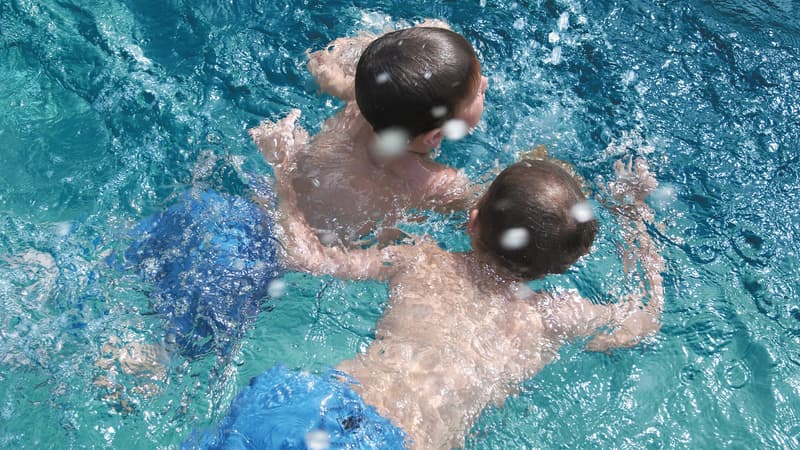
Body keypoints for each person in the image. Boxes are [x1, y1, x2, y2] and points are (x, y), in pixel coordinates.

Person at [192, 131, 666, 449]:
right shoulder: (555, 317)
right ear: (562, 267)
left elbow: (309, 259)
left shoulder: (419, 260)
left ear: (474, 219)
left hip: (316, 403)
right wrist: (636, 217)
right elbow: (646, 317)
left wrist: (284, 175)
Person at [250, 22, 490, 247]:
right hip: (311, 246)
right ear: (435, 137)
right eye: (476, 94)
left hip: (268, 203)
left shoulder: (364, 104)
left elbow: (326, 70)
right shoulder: (438, 183)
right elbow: (482, 218)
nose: (485, 84)